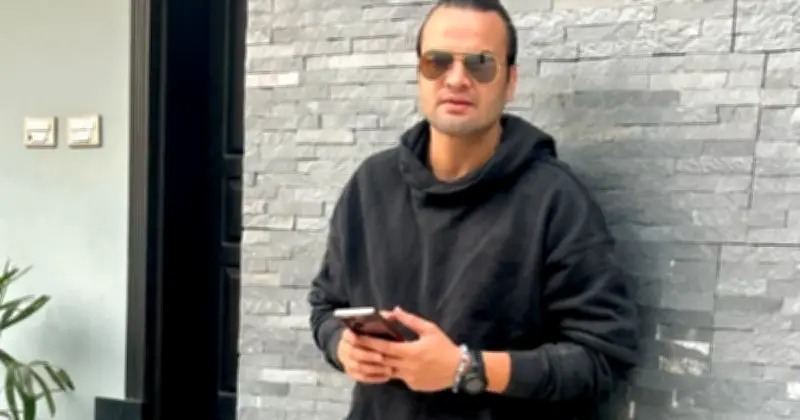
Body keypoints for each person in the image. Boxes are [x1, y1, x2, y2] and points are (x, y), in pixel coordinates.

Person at [307, 0, 640, 419]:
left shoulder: (555, 200)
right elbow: (326, 306)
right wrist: (342, 346)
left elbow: (602, 358)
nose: (457, 79)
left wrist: (465, 369)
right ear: (419, 73)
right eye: (437, 62)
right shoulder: (371, 185)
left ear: (510, 81)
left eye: (480, 64)